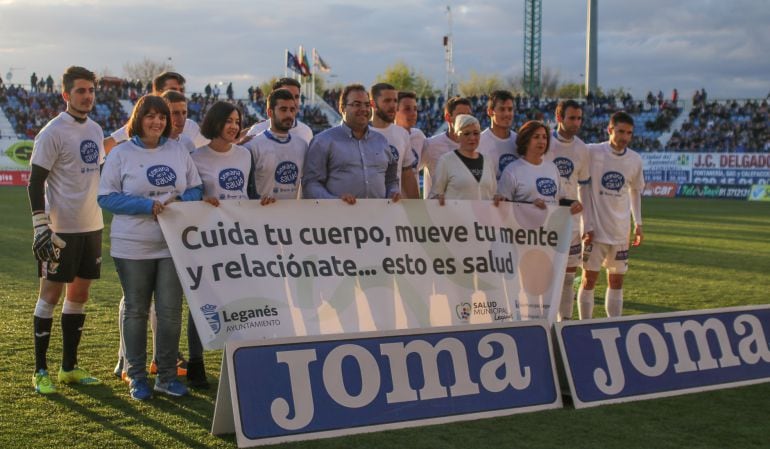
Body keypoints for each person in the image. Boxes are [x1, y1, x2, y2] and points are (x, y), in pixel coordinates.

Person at [98, 95, 203, 400]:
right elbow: (105, 197)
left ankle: (167, 377)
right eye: (150, 116)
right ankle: (137, 377)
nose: (157, 122)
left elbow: (196, 186)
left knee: (170, 313)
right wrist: (146, 205)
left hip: (172, 244)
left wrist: (181, 201)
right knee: (136, 310)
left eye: (162, 117)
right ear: (138, 119)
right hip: (132, 245)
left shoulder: (178, 150)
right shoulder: (121, 154)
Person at [28, 66, 104, 394]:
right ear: (66, 94)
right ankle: (40, 371)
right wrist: (40, 224)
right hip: (60, 230)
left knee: (80, 296)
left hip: (93, 227)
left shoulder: (97, 130)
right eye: (81, 91)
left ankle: (68, 368)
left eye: (91, 91)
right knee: (50, 295)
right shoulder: (52, 132)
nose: (87, 96)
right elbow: (35, 181)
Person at [577, 111, 644, 319]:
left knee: (617, 281)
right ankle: (583, 325)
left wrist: (638, 223)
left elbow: (635, 190)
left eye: (629, 133)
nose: (624, 137)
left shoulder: (635, 159)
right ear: (609, 130)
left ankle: (614, 324)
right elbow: (581, 185)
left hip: (620, 232)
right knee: (589, 280)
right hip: (594, 232)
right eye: (620, 132)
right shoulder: (592, 152)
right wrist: (585, 224)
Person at [303, 83, 400, 203]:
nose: (363, 109)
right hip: (339, 218)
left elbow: (391, 179)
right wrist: (334, 201)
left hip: (379, 218)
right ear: (342, 108)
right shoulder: (323, 141)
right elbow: (311, 184)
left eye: (366, 104)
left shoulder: (381, 141)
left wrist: (393, 192)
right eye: (356, 104)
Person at [544, 100, 592, 320]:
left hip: (571, 222)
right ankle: (542, 322)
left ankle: (566, 323)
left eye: (579, 118)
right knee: (544, 275)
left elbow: (584, 186)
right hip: (544, 219)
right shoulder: (543, 141)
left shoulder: (582, 148)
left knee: (568, 276)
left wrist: (587, 224)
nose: (576, 123)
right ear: (559, 116)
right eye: (572, 118)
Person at [104, 71, 207, 153]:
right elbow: (103, 148)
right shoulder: (141, 126)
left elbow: (211, 151)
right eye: (173, 89)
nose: (179, 93)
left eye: (181, 90)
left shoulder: (189, 127)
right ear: (157, 92)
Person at [495, 120, 583, 215]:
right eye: (536, 137)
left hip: (551, 227)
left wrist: (573, 204)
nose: (542, 141)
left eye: (544, 137)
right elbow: (503, 205)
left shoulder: (552, 168)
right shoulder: (512, 170)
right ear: (526, 140)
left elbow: (559, 200)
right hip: (524, 228)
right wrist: (530, 206)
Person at [244, 88, 308, 200]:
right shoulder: (253, 146)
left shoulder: (302, 145)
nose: (289, 114)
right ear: (270, 112)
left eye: (292, 110)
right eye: (283, 109)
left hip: (291, 215)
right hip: (261, 215)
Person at [369, 83, 420, 198]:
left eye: (395, 101)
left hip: (395, 207)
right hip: (366, 206)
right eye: (387, 101)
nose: (392, 105)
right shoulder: (360, 133)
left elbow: (407, 175)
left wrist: (417, 209)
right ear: (372, 104)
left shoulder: (402, 134)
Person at [429, 114, 496, 202]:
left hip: (484, 215)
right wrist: (437, 199)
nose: (472, 137)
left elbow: (493, 193)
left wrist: (497, 198)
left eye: (476, 133)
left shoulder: (487, 161)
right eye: (466, 134)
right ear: (457, 136)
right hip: (455, 215)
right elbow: (434, 195)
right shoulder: (446, 161)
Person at [419, 96, 472, 198]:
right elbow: (410, 171)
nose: (466, 120)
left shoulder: (477, 146)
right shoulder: (431, 145)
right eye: (461, 116)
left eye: (469, 115)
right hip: (437, 211)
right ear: (448, 117)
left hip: (466, 211)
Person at [245, 77, 313, 145]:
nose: (293, 101)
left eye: (297, 97)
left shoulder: (306, 132)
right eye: (287, 95)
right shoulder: (256, 131)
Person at [478, 90, 518, 180]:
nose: (507, 114)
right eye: (502, 109)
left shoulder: (519, 141)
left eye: (510, 109)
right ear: (490, 112)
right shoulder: (479, 142)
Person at [395, 91, 427, 196]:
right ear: (395, 110)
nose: (413, 113)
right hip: (390, 202)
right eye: (407, 109)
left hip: (412, 203)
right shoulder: (386, 137)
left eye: (415, 109)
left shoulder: (419, 136)